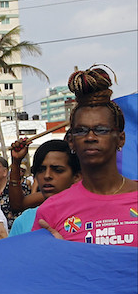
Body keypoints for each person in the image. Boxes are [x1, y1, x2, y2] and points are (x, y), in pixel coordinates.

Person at [34, 67, 137, 246]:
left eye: (101, 130)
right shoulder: (51, 210)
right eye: (81, 131)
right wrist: (54, 253)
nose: (90, 137)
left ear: (121, 138)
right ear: (72, 141)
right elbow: (36, 268)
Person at [10, 140, 79, 235]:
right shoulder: (24, 220)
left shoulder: (91, 214)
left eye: (58, 170)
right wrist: (15, 163)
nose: (47, 175)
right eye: (41, 170)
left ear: (77, 176)